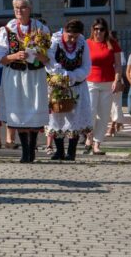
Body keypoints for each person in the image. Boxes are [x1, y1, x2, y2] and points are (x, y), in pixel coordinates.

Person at [0, 0, 50, 163]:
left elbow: (49, 58)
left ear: (30, 9)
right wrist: (14, 56)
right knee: (19, 113)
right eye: (16, 7)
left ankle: (32, 148)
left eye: (23, 7)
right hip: (15, 76)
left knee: (34, 111)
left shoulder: (41, 29)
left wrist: (39, 55)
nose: (19, 10)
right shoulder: (7, 30)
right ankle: (25, 151)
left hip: (35, 75)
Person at [46, 19, 92, 161]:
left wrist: (73, 76)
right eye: (69, 36)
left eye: (75, 36)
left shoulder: (82, 44)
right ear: (64, 31)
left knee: (75, 117)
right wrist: (62, 76)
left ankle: (71, 151)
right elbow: (50, 63)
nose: (72, 39)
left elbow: (86, 67)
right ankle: (59, 150)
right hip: (57, 86)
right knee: (57, 116)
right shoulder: (55, 42)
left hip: (77, 86)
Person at [84, 18, 123, 155]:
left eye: (101, 29)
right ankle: (89, 137)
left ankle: (97, 144)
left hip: (108, 82)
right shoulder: (87, 43)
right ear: (92, 30)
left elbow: (118, 65)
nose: (98, 32)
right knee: (91, 112)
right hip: (90, 82)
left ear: (106, 31)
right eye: (96, 29)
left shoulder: (112, 44)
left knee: (104, 114)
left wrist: (117, 80)